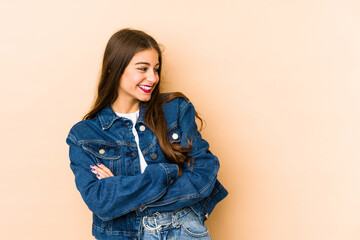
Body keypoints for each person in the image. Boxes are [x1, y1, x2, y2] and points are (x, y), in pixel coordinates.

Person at [66, 28, 228, 240]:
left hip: (183, 230)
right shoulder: (85, 135)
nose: (153, 78)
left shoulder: (175, 109)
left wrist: (123, 189)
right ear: (115, 69)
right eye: (143, 69)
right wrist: (166, 173)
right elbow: (101, 201)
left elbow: (205, 173)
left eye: (156, 69)